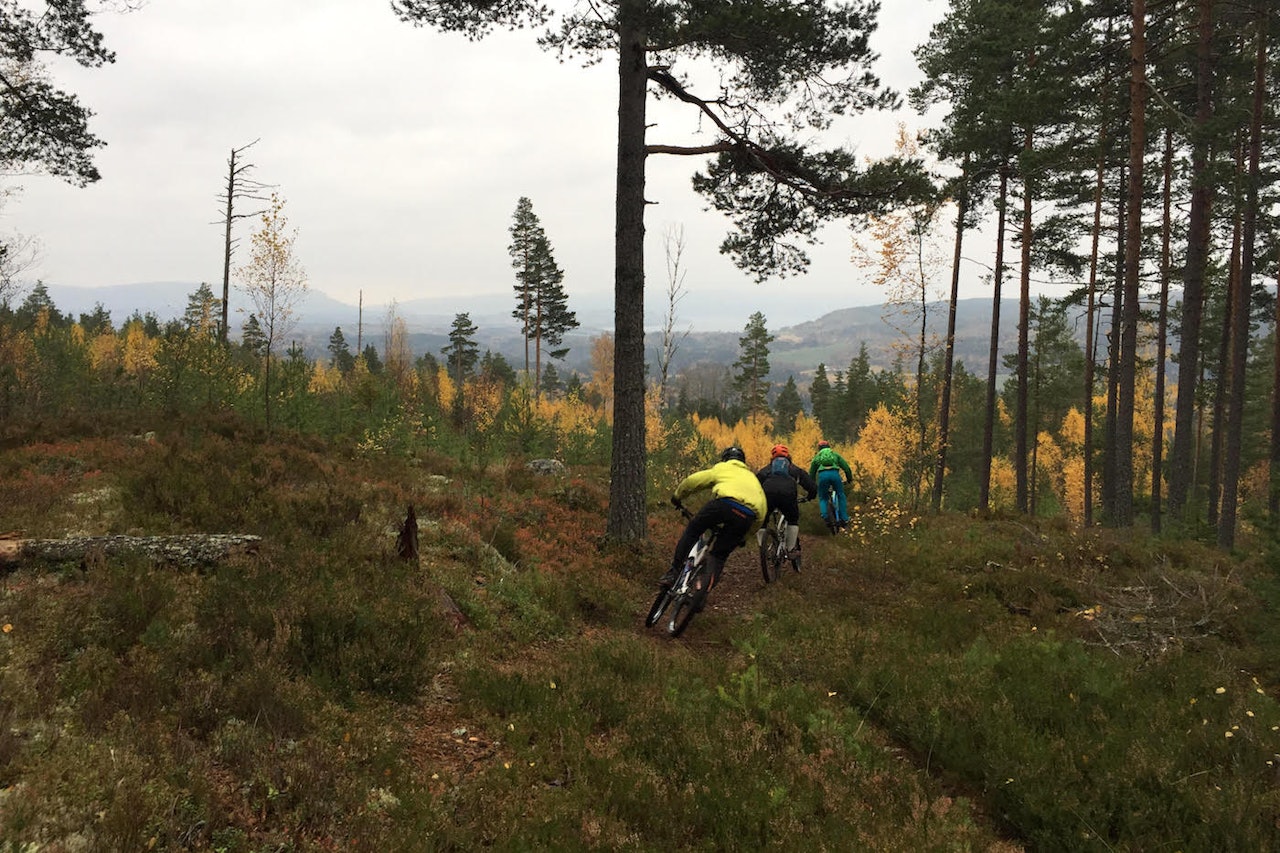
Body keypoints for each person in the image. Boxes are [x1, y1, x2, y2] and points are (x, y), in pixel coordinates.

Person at [660, 446, 768, 591]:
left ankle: (674, 572)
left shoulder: (723, 468)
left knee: (694, 530)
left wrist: (677, 496)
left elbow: (694, 481)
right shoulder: (753, 478)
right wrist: (745, 536)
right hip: (747, 515)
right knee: (719, 556)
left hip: (724, 504)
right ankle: (702, 594)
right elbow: (761, 513)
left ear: (725, 459)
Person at [756, 443, 817, 562]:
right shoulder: (794, 469)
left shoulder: (766, 469)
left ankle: (762, 548)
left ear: (772, 457)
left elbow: (755, 483)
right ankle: (790, 550)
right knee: (792, 519)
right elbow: (811, 486)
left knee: (762, 520)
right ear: (788, 456)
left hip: (768, 495)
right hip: (787, 495)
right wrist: (810, 496)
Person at [808, 439, 853, 529]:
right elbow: (846, 468)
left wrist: (812, 484)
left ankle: (825, 516)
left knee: (823, 497)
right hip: (835, 474)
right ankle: (844, 518)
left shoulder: (817, 457)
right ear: (829, 447)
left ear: (819, 449)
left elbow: (812, 473)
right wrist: (849, 479)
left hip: (823, 476)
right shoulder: (835, 455)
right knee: (840, 495)